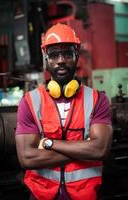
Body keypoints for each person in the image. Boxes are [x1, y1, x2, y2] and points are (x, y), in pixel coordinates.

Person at [15, 23, 113, 200]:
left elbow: (100, 150)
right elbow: (26, 158)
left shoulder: (98, 100)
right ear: (46, 59)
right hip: (41, 195)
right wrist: (82, 150)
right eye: (53, 55)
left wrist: (48, 143)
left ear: (77, 56)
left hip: (84, 194)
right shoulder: (29, 102)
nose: (61, 60)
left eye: (67, 53)